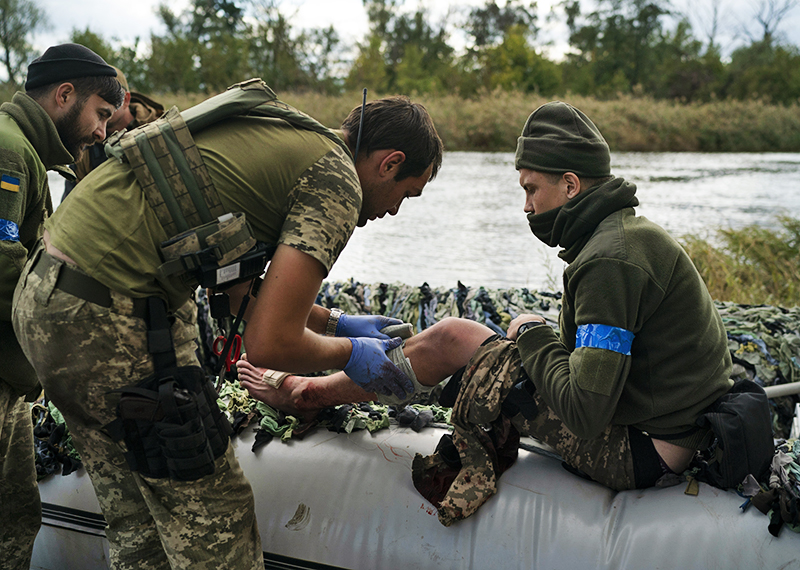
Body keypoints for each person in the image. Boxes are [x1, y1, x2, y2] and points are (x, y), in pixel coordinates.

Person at [12, 79, 443, 570]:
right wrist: (355, 356)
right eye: (405, 194)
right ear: (388, 163)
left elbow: (241, 289)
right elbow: (269, 342)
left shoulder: (286, 138)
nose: (392, 211)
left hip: (46, 302)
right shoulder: (337, 181)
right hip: (109, 319)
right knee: (218, 521)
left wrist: (337, 323)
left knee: (137, 520)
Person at [238, 100, 738, 497]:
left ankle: (307, 393)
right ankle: (315, 389)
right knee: (461, 344)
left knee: (457, 337)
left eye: (531, 189)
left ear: (570, 185)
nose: (526, 207)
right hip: (655, 427)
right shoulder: (620, 238)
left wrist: (534, 334)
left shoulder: (612, 260)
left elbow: (585, 411)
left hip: (641, 451)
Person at [0, 43, 123, 570]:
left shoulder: (27, 152)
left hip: (10, 377)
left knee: (17, 513)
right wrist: (71, 325)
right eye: (100, 114)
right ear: (65, 95)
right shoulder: (8, 152)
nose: (101, 131)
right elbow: (3, 264)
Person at [62, 65, 164, 200]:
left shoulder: (158, 129)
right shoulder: (85, 145)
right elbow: (70, 205)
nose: (104, 106)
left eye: (111, 99)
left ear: (126, 100)